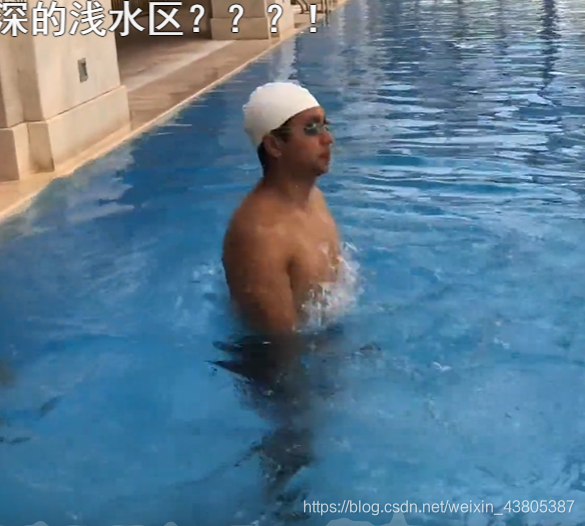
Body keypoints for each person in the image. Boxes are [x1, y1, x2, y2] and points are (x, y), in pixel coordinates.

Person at [222, 81, 340, 348]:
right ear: (274, 145)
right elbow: (279, 350)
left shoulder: (315, 199)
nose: (328, 139)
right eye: (311, 129)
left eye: (325, 126)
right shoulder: (260, 236)